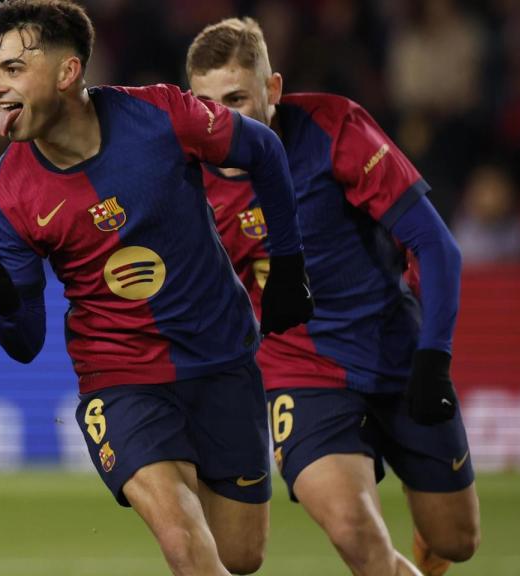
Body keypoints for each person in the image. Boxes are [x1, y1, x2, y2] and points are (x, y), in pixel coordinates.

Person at [0, 2, 313, 575]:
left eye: (13, 69)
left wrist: (289, 268)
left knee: (240, 556)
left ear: (67, 74)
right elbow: (26, 342)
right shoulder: (8, 189)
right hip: (120, 378)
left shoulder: (162, 115)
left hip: (221, 358)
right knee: (182, 536)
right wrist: (6, 304)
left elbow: (263, 150)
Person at [186, 17, 480, 576]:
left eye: (236, 99)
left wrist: (434, 358)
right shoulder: (187, 179)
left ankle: (430, 535)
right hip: (300, 373)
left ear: (272, 91)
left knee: (458, 539)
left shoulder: (332, 127)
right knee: (353, 529)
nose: (221, 120)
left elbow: (436, 247)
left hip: (395, 352)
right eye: (206, 104)